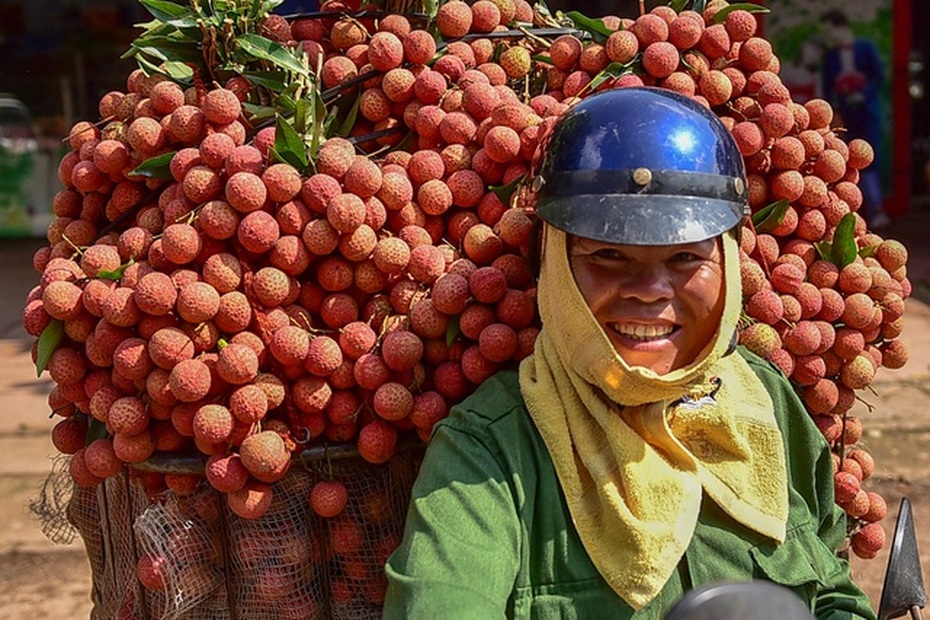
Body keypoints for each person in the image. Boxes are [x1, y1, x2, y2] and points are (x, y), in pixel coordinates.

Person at [382, 87, 876, 619]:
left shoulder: (767, 401)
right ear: (550, 263)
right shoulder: (489, 451)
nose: (649, 289)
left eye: (687, 256)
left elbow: (831, 592)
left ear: (732, 266)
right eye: (608, 254)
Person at [821, 9, 888, 229]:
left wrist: (864, 93)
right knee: (844, 161)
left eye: (830, 31)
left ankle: (876, 208)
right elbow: (827, 89)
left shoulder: (866, 48)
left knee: (868, 159)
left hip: (867, 112)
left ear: (841, 27)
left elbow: (879, 76)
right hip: (845, 117)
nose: (829, 37)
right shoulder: (830, 57)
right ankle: (852, 212)